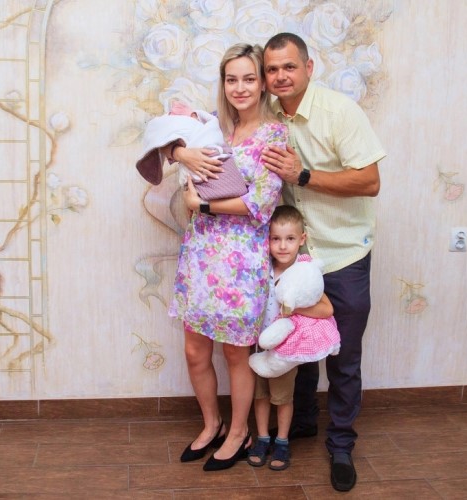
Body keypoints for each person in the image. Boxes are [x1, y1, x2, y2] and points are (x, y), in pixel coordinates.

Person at [260, 32, 387, 492]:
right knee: (296, 342)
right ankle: (303, 422)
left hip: (344, 252)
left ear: (309, 68)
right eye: (272, 69)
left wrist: (303, 175)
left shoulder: (339, 112)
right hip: (297, 257)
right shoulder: (267, 115)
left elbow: (370, 181)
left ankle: (342, 445)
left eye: (289, 66)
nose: (280, 76)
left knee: (344, 356)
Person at [160, 43, 287, 472]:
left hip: (241, 261)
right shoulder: (212, 126)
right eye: (232, 79)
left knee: (235, 353)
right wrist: (181, 153)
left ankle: (238, 432)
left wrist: (203, 205)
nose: (240, 87)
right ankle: (211, 424)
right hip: (199, 257)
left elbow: (261, 203)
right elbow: (162, 139)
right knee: (195, 351)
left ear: (263, 83)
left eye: (249, 78)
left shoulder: (274, 135)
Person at [247, 205, 336, 472]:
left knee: (283, 397)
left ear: (302, 239)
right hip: (257, 345)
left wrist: (293, 308)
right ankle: (263, 438)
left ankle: (282, 442)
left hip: (284, 351)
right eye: (275, 238)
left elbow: (326, 309)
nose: (282, 246)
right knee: (260, 395)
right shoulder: (262, 267)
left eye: (290, 239)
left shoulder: (303, 274)